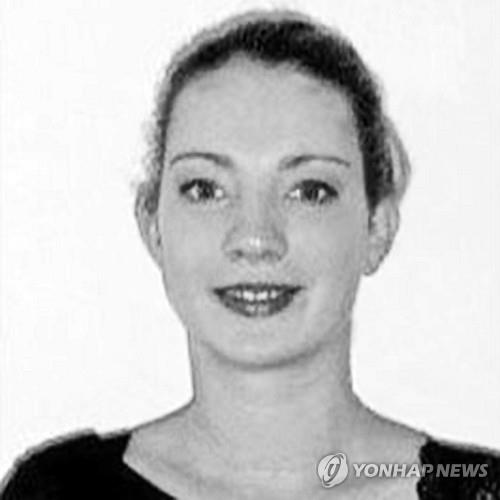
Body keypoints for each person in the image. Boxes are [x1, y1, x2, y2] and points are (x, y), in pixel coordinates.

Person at [1, 8, 499, 500]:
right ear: (152, 226)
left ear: (377, 228)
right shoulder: (57, 494)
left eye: (309, 191)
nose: (256, 238)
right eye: (205, 189)